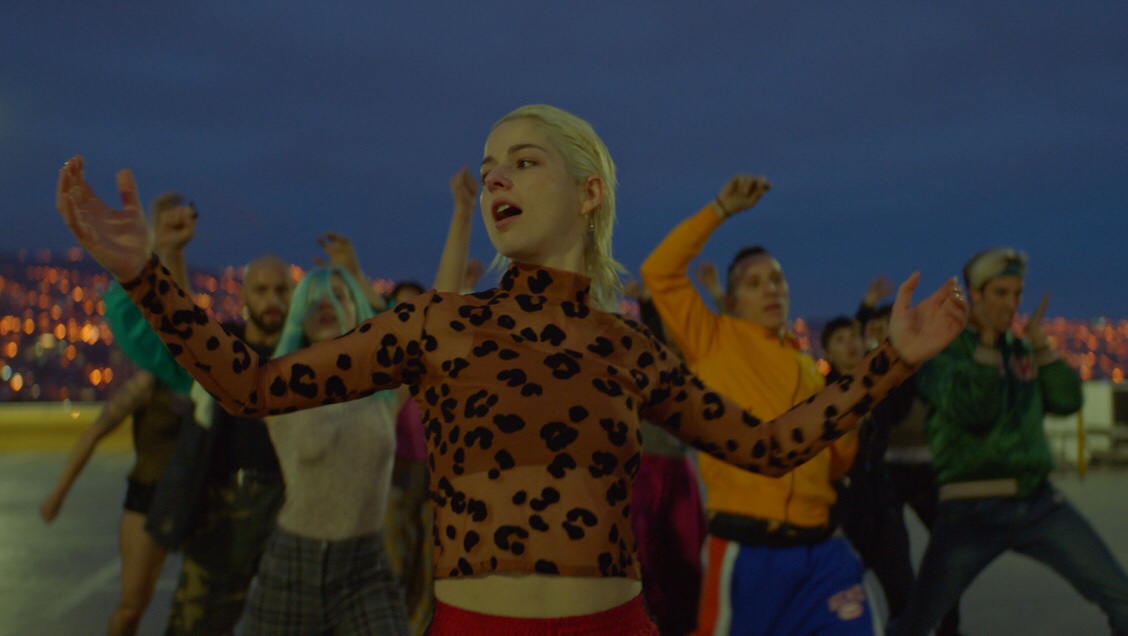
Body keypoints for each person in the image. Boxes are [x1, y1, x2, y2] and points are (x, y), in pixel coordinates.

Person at [55, 104, 966, 634]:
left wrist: (892, 360)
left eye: (523, 163)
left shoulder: (624, 345)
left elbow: (768, 447)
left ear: (588, 191)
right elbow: (250, 386)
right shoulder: (438, 325)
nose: (496, 179)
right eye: (490, 167)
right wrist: (145, 277)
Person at [641, 191, 881, 635]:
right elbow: (659, 270)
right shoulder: (713, 340)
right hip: (749, 550)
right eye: (754, 283)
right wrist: (719, 210)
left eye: (776, 279)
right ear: (732, 302)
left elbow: (833, 464)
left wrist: (850, 426)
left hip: (823, 549)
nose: (771, 289)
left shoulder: (809, 371)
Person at [887, 247, 1128, 635]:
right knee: (918, 621)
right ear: (975, 294)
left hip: (1037, 503)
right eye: (1000, 293)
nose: (1011, 304)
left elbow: (1068, 401)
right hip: (969, 510)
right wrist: (984, 345)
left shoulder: (1018, 350)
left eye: (1017, 294)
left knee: (1121, 596)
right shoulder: (945, 353)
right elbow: (974, 412)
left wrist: (1041, 347)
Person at [242, 263, 410, 635]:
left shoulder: (385, 391)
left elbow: (426, 327)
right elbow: (203, 355)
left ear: (357, 309)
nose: (326, 304)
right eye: (314, 299)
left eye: (339, 295)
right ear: (299, 316)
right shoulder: (278, 388)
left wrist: (461, 226)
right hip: (293, 564)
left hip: (365, 566)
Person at [40, 370, 187, 636]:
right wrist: (59, 493)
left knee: (200, 608)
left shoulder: (213, 379)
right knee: (131, 608)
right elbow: (95, 432)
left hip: (198, 499)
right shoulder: (149, 383)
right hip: (148, 498)